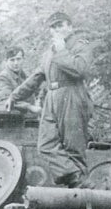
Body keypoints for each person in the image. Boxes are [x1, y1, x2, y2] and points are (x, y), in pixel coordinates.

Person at [7, 12, 95, 188]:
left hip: (72, 94)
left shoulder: (80, 44)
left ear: (70, 26)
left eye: (61, 25)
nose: (58, 29)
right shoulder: (50, 51)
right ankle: (75, 177)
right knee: (45, 144)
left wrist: (62, 51)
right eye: (54, 27)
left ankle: (82, 193)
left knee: (73, 147)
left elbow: (80, 70)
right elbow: (37, 76)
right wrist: (14, 95)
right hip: (52, 98)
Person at [0, 47, 41, 116]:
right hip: (13, 118)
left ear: (23, 59)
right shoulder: (3, 77)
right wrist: (29, 107)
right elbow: (4, 100)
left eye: (18, 59)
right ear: (6, 61)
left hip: (29, 117)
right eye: (12, 60)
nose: (16, 63)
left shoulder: (25, 76)